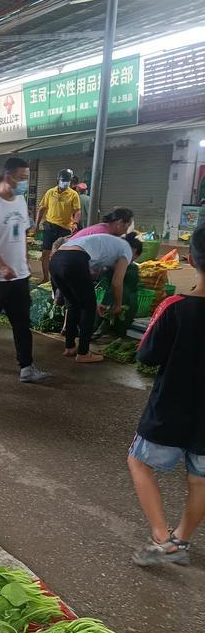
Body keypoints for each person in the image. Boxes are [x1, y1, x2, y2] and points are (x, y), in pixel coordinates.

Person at [128, 224, 205, 568]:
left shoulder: (175, 307)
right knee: (201, 477)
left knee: (139, 461)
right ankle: (182, 539)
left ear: (191, 260)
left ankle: (162, 537)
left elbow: (147, 356)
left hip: (171, 406)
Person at [0, 157, 50, 384]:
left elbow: (22, 233)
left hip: (19, 276)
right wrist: (2, 266)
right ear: (7, 176)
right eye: (21, 178)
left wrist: (23, 263)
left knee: (22, 323)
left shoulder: (21, 201)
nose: (24, 182)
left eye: (26, 178)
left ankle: (26, 366)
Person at [50, 232, 139, 363]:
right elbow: (116, 282)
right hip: (74, 260)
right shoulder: (126, 250)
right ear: (135, 252)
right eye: (133, 259)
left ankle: (70, 347)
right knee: (88, 308)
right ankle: (83, 353)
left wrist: (93, 301)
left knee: (73, 304)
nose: (130, 262)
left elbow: (82, 280)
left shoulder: (109, 244)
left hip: (56, 260)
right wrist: (118, 305)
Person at [35, 169, 81, 283]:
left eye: (67, 181)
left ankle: (59, 280)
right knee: (45, 253)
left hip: (65, 229)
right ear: (58, 180)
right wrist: (36, 225)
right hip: (50, 226)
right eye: (63, 180)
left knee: (60, 256)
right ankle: (46, 278)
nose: (65, 183)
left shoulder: (73, 194)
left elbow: (77, 211)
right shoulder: (50, 192)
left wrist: (75, 222)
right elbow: (41, 209)